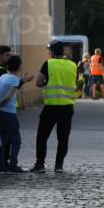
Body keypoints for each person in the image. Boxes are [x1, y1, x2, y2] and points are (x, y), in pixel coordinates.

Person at [31, 40, 78, 173]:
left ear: (52, 52)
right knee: (63, 137)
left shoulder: (48, 64)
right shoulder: (73, 65)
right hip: (67, 107)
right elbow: (75, 81)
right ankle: (59, 166)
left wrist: (47, 82)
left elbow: (39, 82)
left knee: (42, 136)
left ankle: (40, 165)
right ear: (63, 51)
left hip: (51, 107)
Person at [0, 54, 26, 174]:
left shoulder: (2, 77)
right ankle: (13, 164)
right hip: (10, 113)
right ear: (19, 67)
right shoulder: (15, 79)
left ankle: (0, 165)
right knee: (16, 140)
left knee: (0, 140)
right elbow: (7, 97)